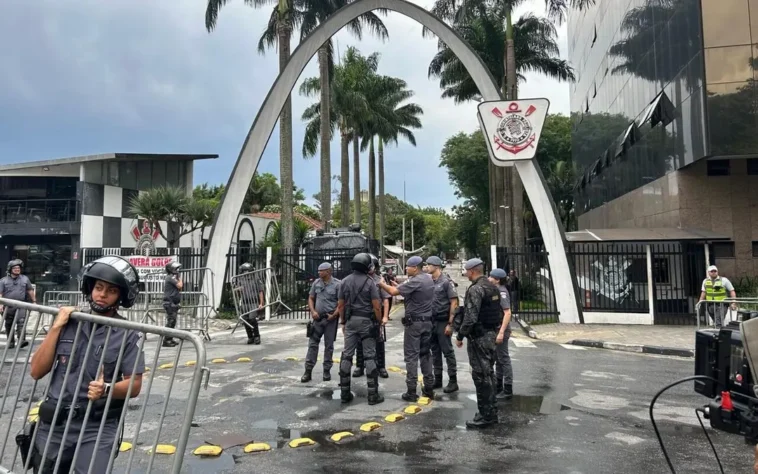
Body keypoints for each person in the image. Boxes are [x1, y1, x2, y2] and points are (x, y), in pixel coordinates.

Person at [28, 256, 145, 472]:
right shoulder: (69, 323)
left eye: (111, 290)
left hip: (97, 427)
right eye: (98, 287)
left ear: (121, 296)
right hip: (55, 423)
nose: (102, 294)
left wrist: (106, 389)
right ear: (89, 288)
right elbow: (36, 371)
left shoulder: (128, 333)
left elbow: (134, 385)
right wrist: (56, 327)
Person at [378, 255, 435, 402]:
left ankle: (411, 391)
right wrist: (398, 285)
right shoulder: (428, 278)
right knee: (425, 355)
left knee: (411, 356)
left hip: (414, 324)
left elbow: (393, 293)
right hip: (427, 322)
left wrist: (382, 284)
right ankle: (429, 387)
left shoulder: (416, 281)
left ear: (415, 268)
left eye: (408, 266)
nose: (405, 268)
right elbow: (406, 289)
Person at [455, 258, 501, 428]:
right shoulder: (492, 287)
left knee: (481, 376)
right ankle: (491, 411)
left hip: (479, 338)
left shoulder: (476, 289)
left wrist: (460, 335)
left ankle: (485, 416)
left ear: (472, 271)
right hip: (490, 335)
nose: (465, 273)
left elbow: (471, 317)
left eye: (466, 270)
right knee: (489, 373)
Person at [337, 253, 384, 405]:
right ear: (367, 266)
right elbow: (377, 306)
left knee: (347, 354)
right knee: (370, 356)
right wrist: (378, 321)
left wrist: (343, 322)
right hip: (366, 322)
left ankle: (344, 393)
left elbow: (340, 305)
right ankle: (372, 395)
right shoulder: (370, 283)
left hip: (350, 321)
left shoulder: (344, 281)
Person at [301, 262, 340, 382]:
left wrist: (334, 315)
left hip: (330, 320)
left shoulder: (337, 284)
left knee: (329, 346)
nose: (319, 273)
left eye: (321, 271)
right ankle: (308, 371)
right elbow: (311, 298)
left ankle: (326, 371)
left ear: (328, 271)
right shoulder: (316, 283)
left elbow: (341, 302)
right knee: (312, 345)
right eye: (318, 271)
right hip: (317, 319)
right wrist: (313, 311)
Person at [425, 256, 459, 393]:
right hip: (431, 321)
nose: (426, 267)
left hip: (443, 321)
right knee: (435, 352)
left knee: (448, 352)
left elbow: (454, 302)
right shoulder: (428, 282)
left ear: (437, 266)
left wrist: (450, 323)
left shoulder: (446, 282)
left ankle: (453, 381)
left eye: (429, 265)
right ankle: (437, 379)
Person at [353, 255, 390, 379]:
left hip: (375, 316)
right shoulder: (358, 279)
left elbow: (385, 300)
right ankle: (359, 365)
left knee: (379, 341)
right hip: (362, 316)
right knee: (360, 342)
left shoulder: (379, 280)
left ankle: (381, 367)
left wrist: (385, 317)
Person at [488, 268, 513, 400]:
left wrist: (502, 332)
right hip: (496, 329)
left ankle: (507, 388)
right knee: (498, 358)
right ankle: (498, 386)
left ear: (497, 280)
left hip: (501, 330)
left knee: (503, 359)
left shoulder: (502, 292)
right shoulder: (496, 291)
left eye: (491, 277)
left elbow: (507, 313)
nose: (488, 278)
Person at [0, 259, 36, 349]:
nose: (17, 269)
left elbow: (30, 290)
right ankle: (10, 342)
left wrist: (34, 301)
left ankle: (21, 341)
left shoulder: (25, 279)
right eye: (15, 268)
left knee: (21, 322)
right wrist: (0, 304)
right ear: (10, 269)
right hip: (7, 307)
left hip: (21, 305)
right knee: (9, 324)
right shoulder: (3, 281)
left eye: (18, 268)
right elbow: (0, 293)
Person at [236, 263, 264, 345]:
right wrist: (238, 290)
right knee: (245, 320)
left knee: (252, 319)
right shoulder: (240, 279)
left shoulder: (256, 278)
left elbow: (260, 291)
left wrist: (261, 303)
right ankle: (250, 337)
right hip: (245, 302)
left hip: (253, 302)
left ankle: (257, 336)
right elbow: (237, 292)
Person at [161, 261, 183, 348]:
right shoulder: (170, 277)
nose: (178, 270)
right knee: (170, 321)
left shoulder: (172, 278)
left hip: (173, 303)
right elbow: (180, 286)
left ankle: (170, 338)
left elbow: (178, 289)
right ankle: (166, 340)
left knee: (173, 321)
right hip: (169, 303)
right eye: (176, 269)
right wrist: (180, 278)